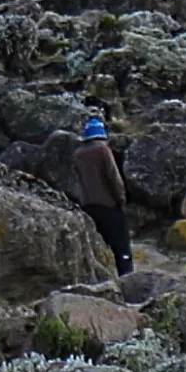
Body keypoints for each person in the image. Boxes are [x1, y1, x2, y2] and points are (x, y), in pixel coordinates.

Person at [72, 114, 133, 275]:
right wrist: (121, 199)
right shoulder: (102, 150)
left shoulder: (78, 154)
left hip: (88, 207)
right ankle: (126, 278)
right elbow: (113, 177)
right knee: (121, 246)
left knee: (101, 244)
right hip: (109, 206)